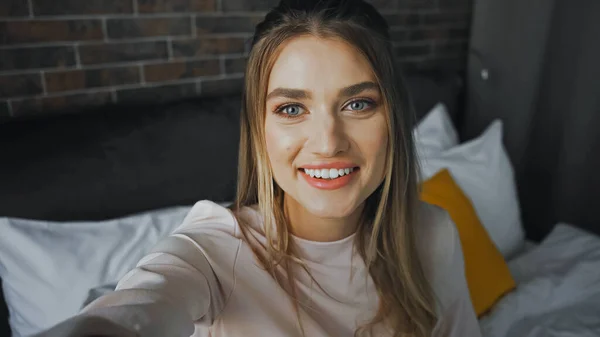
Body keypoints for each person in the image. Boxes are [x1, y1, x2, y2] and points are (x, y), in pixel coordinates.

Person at [36, 0, 481, 336]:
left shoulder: (432, 233)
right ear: (259, 131)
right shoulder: (215, 249)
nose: (328, 142)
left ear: (394, 120)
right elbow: (138, 307)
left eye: (358, 103)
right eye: (291, 108)